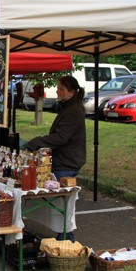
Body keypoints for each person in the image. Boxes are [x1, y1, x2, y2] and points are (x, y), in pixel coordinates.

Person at [25, 75, 86, 242]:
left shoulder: (73, 111)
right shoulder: (68, 107)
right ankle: (64, 237)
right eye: (58, 88)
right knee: (59, 203)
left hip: (67, 162)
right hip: (63, 159)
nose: (57, 91)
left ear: (72, 92)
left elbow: (61, 138)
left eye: (61, 89)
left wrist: (36, 142)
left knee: (61, 204)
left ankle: (67, 240)